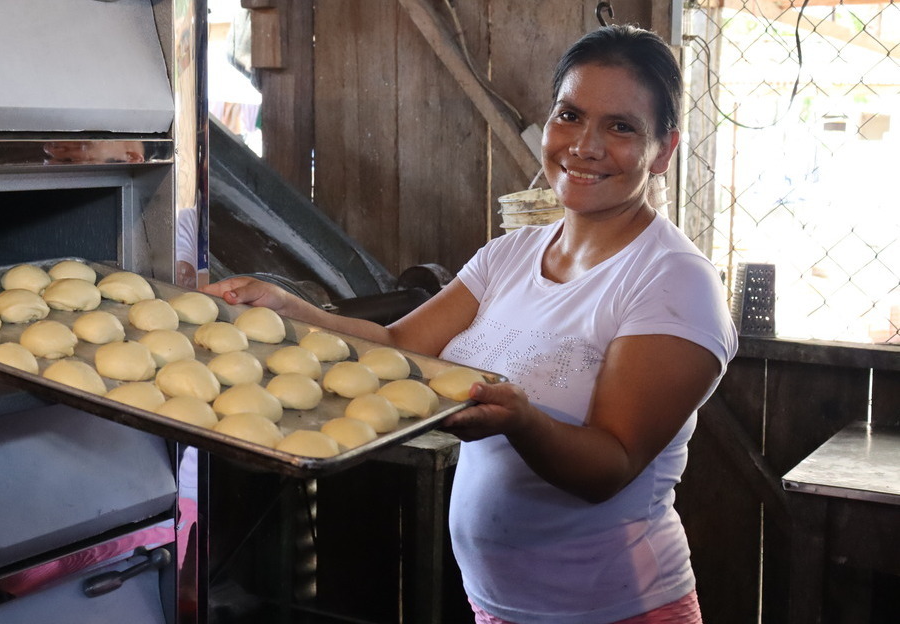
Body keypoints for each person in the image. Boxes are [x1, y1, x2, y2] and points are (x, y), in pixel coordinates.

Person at [202, 24, 737, 624]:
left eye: (620, 127)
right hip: (497, 607)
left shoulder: (673, 282)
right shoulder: (510, 255)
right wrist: (293, 313)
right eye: (570, 115)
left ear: (663, 151)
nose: (584, 145)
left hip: (616, 609)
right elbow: (399, 346)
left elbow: (607, 467)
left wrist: (522, 420)